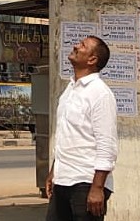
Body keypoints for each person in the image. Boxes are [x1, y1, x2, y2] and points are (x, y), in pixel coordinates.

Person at [45, 35, 118, 221]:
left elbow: (106, 145)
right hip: (63, 180)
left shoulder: (100, 93)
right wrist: (54, 171)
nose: (76, 46)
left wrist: (98, 188)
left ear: (92, 59)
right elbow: (66, 135)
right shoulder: (70, 89)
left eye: (83, 45)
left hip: (86, 183)